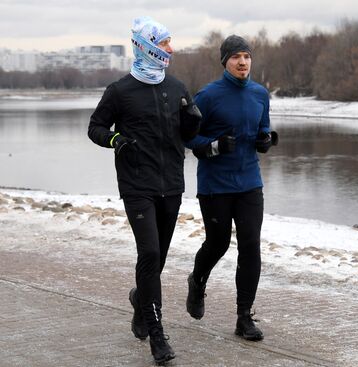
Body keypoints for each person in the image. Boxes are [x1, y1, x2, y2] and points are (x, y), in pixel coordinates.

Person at [88, 16, 201, 364]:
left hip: (172, 185)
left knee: (158, 258)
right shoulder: (120, 91)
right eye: (165, 42)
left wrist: (193, 121)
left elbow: (188, 137)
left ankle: (141, 299)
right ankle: (157, 335)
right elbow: (95, 128)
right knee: (150, 253)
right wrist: (115, 139)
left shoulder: (177, 87)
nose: (171, 49)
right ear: (147, 45)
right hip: (137, 185)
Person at [184, 35, 278, 342]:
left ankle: (244, 317)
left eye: (247, 57)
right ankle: (197, 282)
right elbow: (189, 140)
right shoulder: (209, 96)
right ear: (225, 61)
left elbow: (262, 133)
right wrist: (214, 145)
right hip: (216, 185)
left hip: (249, 182)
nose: (242, 62)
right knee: (218, 243)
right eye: (236, 56)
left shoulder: (260, 94)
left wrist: (266, 141)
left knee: (250, 245)